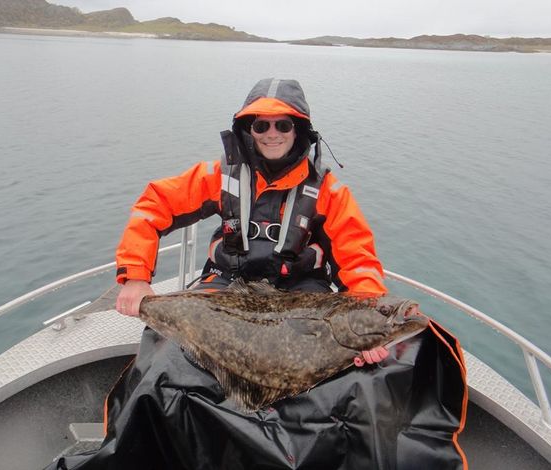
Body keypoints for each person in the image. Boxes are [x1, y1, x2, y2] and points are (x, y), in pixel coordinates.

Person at [115, 78, 389, 366]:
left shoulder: (330, 192)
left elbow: (358, 260)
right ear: (249, 129)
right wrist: (135, 276)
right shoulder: (219, 175)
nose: (272, 134)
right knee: (170, 357)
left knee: (352, 369)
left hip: (301, 295)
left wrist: (367, 320)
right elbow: (154, 205)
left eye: (283, 125)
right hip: (227, 286)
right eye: (261, 125)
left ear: (299, 130)